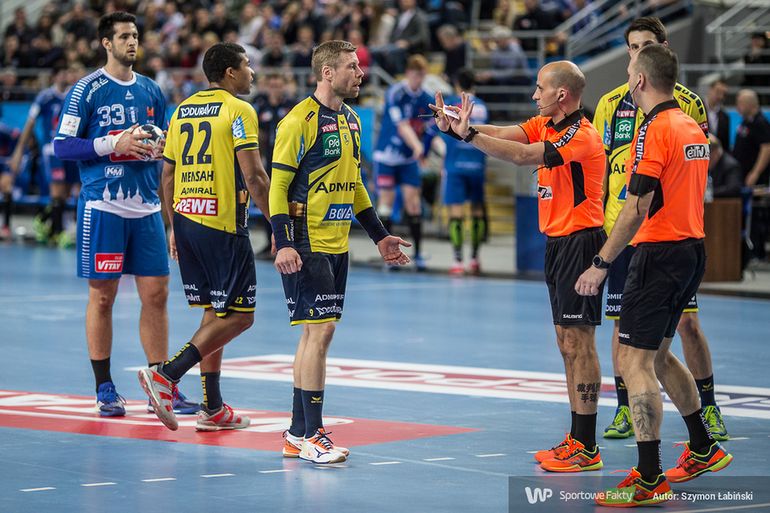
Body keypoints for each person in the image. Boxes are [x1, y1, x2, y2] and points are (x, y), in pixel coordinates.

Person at [576, 45, 733, 507]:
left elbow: (637, 205)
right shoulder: (690, 125)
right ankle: (703, 446)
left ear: (640, 80)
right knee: (660, 357)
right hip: (691, 250)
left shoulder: (655, 128)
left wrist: (601, 263)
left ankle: (648, 477)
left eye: (630, 70)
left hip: (659, 254)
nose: (627, 77)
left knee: (634, 362)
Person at [433, 60, 607, 473]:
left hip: (580, 243)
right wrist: (456, 126)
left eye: (539, 88)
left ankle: (587, 446)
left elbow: (522, 155)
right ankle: (577, 437)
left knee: (579, 342)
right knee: (565, 343)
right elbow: (503, 133)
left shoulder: (581, 135)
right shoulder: (545, 123)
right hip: (557, 242)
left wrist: (469, 135)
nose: (534, 95)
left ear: (561, 94)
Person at [270, 40, 411, 464]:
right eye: (352, 66)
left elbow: (355, 184)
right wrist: (284, 242)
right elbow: (278, 186)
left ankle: (297, 434)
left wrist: (379, 236)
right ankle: (313, 434)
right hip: (306, 240)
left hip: (337, 241)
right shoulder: (299, 121)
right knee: (321, 331)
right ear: (327, 72)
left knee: (314, 333)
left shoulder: (351, 119)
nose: (360, 73)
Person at [53, 12, 198, 417]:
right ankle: (104, 387)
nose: (132, 42)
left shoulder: (152, 90)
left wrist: (161, 147)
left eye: (135, 35)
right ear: (106, 43)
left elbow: (165, 145)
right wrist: (112, 142)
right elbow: (63, 145)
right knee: (103, 296)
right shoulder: (87, 90)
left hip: (146, 206)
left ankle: (160, 386)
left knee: (157, 295)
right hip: (104, 205)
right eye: (123, 36)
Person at [138, 43, 271, 432]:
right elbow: (254, 176)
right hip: (222, 224)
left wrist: (173, 227)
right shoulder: (239, 109)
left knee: (215, 312)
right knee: (241, 316)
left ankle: (212, 408)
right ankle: (167, 374)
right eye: (247, 65)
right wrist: (280, 225)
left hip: (186, 220)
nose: (252, 72)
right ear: (230, 72)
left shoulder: (181, 109)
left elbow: (167, 175)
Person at [373, 54, 436, 270]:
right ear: (408, 73)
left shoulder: (426, 97)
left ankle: (417, 254)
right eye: (415, 75)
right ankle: (390, 256)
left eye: (422, 76)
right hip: (387, 155)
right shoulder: (395, 93)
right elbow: (402, 126)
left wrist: (429, 149)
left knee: (414, 203)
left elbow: (430, 130)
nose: (418, 80)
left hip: (408, 159)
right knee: (386, 203)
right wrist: (418, 147)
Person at [9, 63, 80, 247]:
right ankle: (57, 233)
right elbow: (30, 123)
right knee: (57, 191)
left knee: (66, 194)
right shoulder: (45, 97)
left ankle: (43, 221)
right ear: (55, 76)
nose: (65, 76)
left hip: (69, 149)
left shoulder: (74, 95)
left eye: (67, 72)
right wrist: (19, 151)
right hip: (52, 150)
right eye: (62, 72)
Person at [441, 69, 489, 275]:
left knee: (456, 212)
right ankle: (475, 259)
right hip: (477, 163)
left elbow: (443, 132)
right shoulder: (482, 106)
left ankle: (457, 260)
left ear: (457, 84)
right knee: (477, 209)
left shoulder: (452, 103)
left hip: (455, 165)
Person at [252, 73, 295, 258]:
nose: (275, 89)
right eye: (273, 85)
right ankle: (270, 242)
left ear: (284, 87)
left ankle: (289, 241)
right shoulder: (262, 107)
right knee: (268, 200)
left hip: (288, 162)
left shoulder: (291, 106)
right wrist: (259, 158)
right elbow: (259, 135)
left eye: (279, 85)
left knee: (288, 201)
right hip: (269, 162)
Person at [705, 78, 730, 152]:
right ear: (710, 89)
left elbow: (725, 144)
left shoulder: (725, 117)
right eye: (718, 92)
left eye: (724, 94)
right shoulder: (697, 108)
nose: (720, 96)